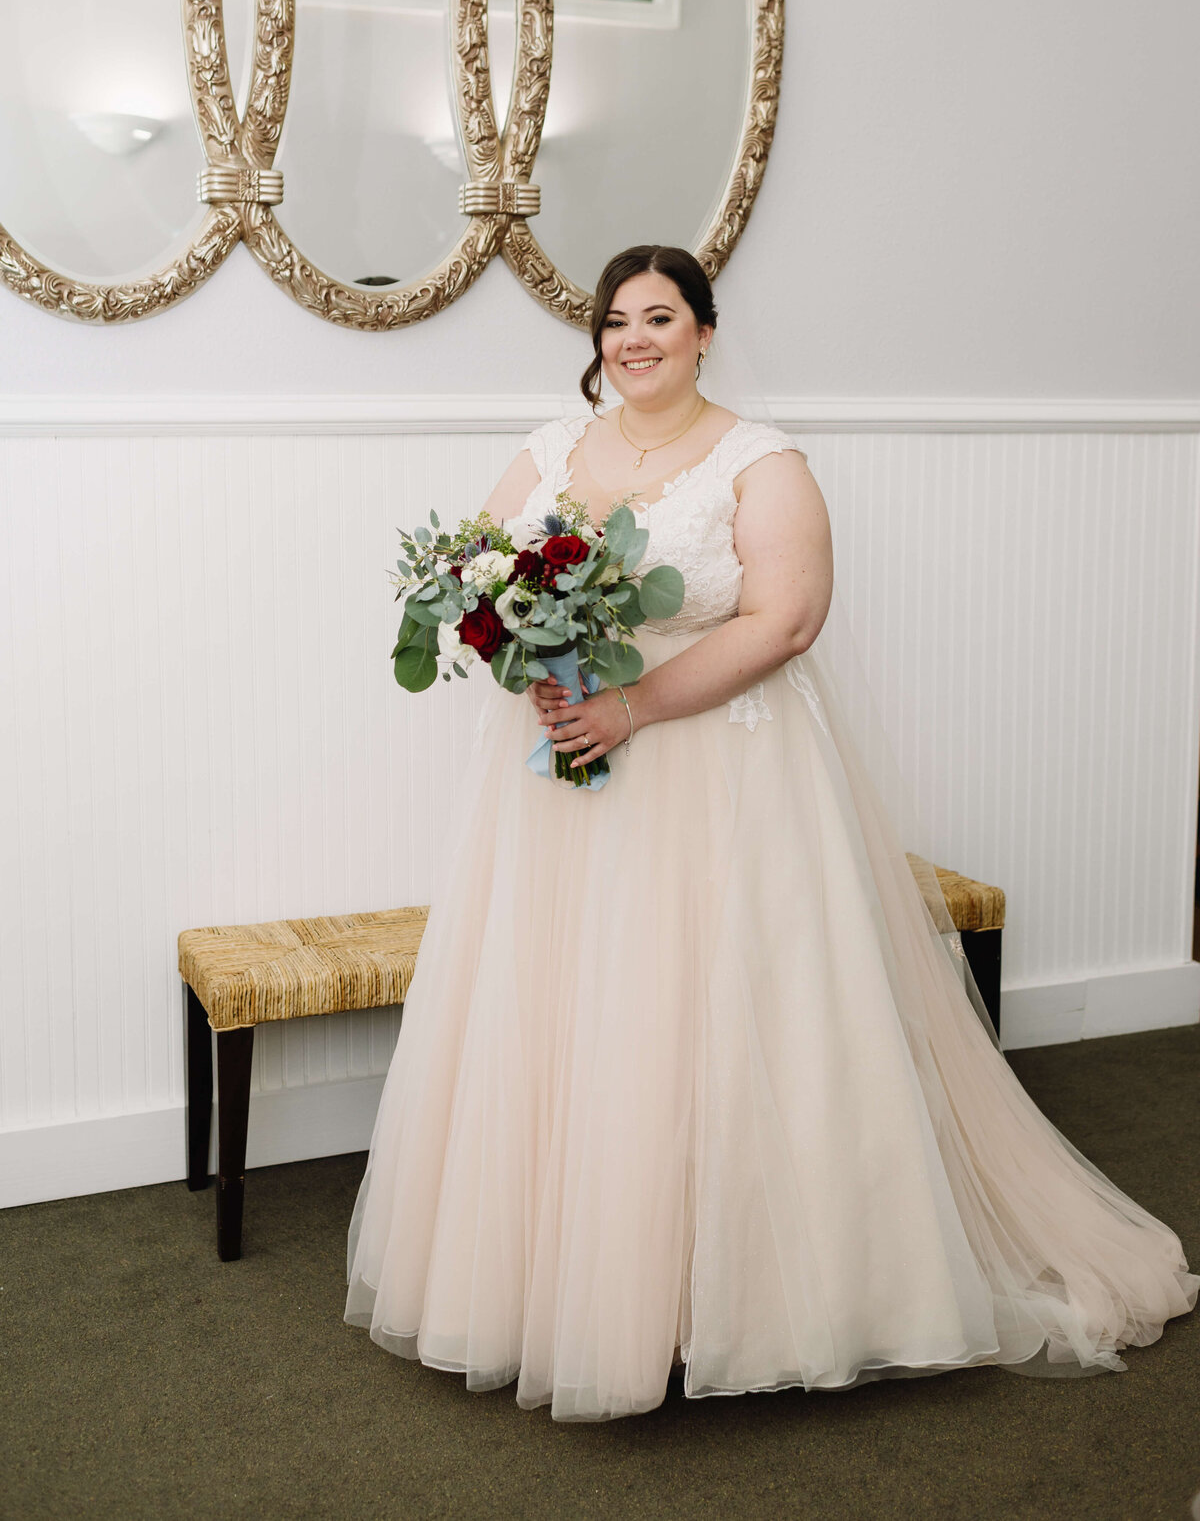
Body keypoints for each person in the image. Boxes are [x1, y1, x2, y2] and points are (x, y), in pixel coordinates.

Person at [345, 244, 1197, 1423]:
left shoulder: (762, 460)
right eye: (615, 321)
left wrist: (631, 705)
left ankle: (741, 1296)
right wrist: (528, 664)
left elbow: (789, 619)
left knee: (722, 1011)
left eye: (659, 316)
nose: (633, 338)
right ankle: (569, 1285)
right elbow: (477, 583)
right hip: (559, 774)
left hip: (721, 775)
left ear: (704, 329)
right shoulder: (549, 450)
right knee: (569, 1009)